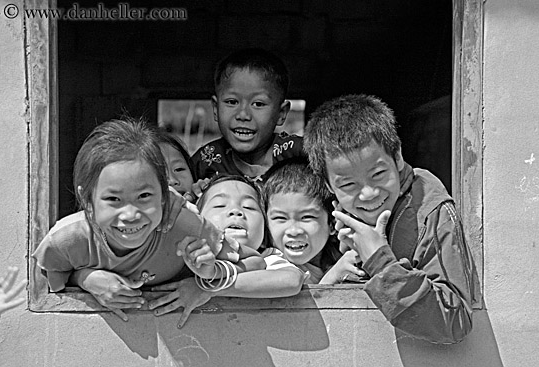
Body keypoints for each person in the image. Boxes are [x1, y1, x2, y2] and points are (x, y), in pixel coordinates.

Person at [33, 118, 264, 321]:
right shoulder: (66, 240)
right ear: (87, 199)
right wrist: (85, 278)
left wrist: (209, 277)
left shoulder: (183, 224)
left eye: (144, 196)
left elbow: (256, 263)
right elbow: (46, 283)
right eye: (113, 199)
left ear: (164, 195)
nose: (131, 215)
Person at [303, 94, 481, 344]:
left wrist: (379, 261)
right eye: (349, 184)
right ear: (328, 184)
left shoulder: (429, 211)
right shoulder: (333, 214)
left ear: (397, 157)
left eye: (378, 174)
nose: (368, 193)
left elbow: (455, 321)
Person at [149, 175, 306, 328]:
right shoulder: (183, 254)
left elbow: (292, 280)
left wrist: (208, 288)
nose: (235, 211)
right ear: (198, 221)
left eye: (249, 207)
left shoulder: (267, 259)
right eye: (219, 205)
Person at [190, 48, 304, 185]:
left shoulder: (299, 153)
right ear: (215, 108)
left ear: (281, 113)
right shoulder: (205, 161)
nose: (243, 115)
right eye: (232, 102)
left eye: (258, 104)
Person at [262, 158, 368, 284]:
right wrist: (333, 276)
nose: (294, 231)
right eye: (280, 218)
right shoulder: (270, 265)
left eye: (307, 217)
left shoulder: (339, 259)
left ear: (333, 223)